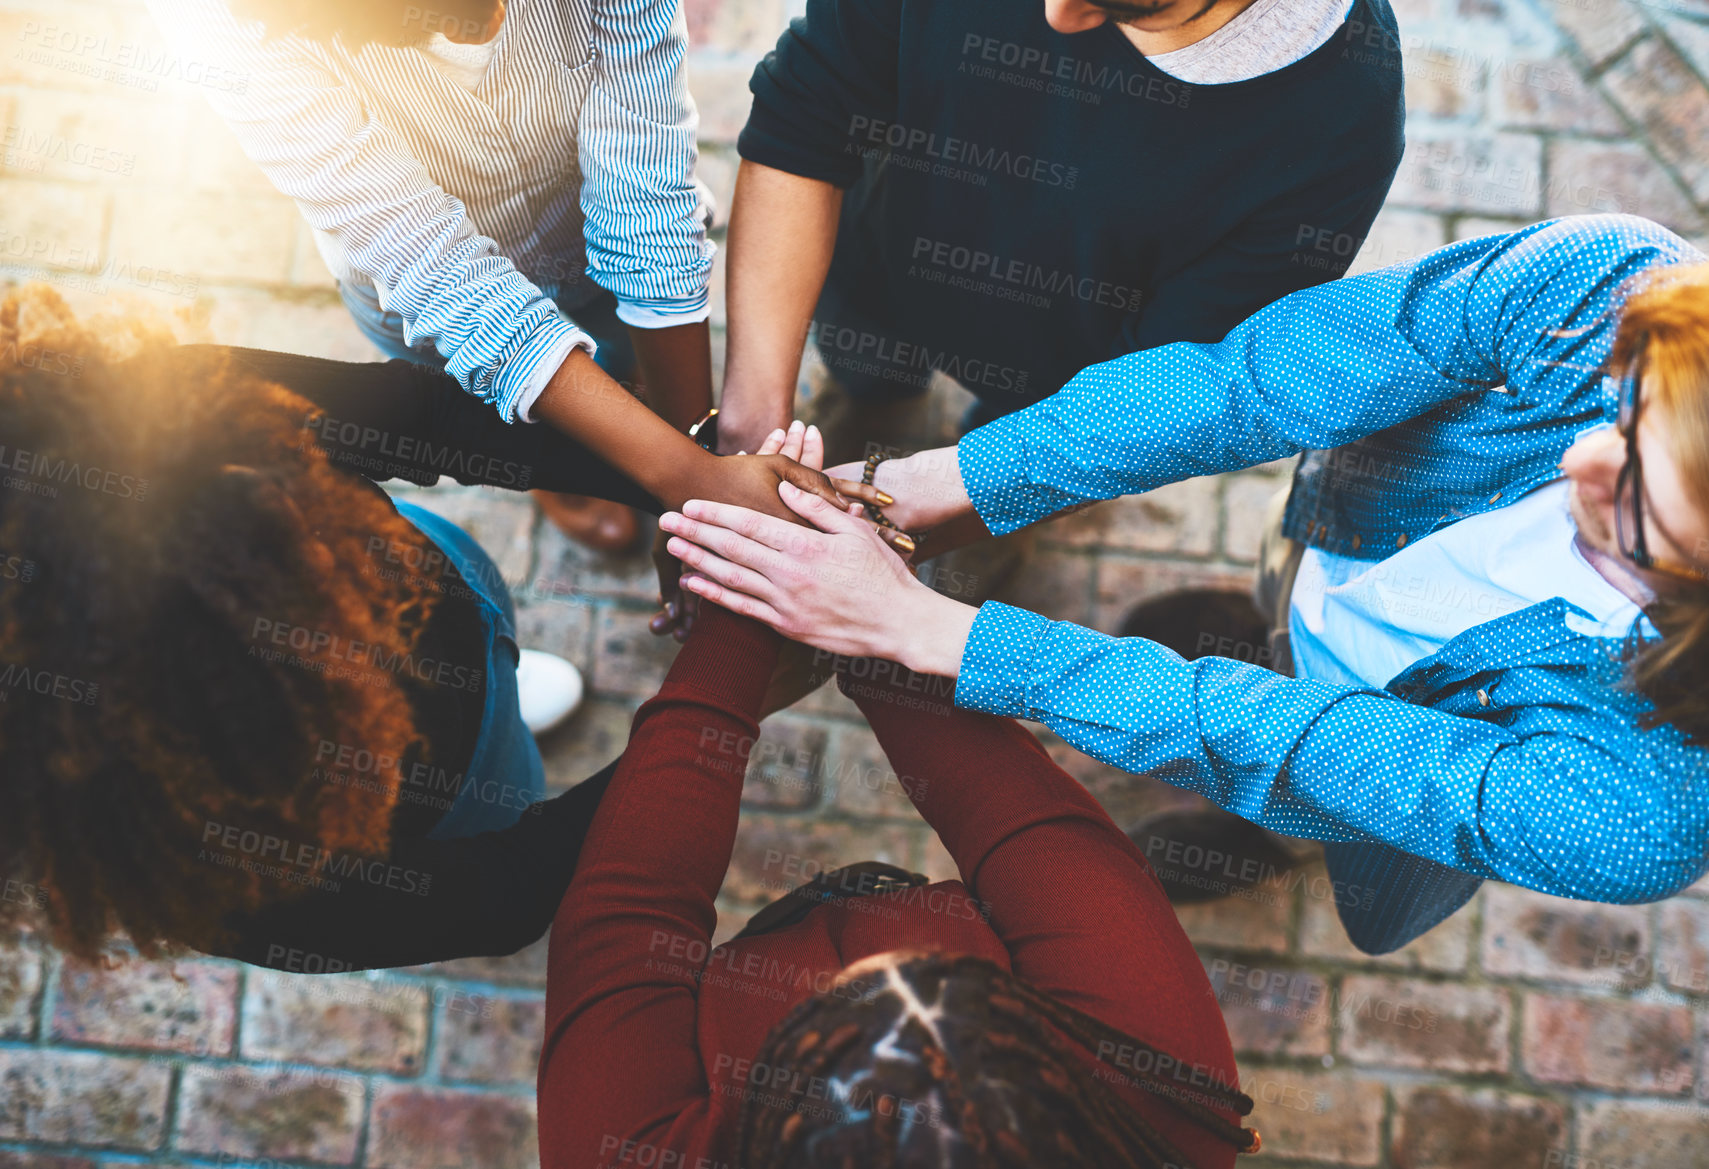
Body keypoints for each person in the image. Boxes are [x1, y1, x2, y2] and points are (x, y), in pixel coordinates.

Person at [655, 213, 1709, 955]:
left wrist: (927, 630)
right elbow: (1244, 383)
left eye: (1635, 511)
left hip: (1376, 742)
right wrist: (925, 485)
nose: (1581, 462)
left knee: (1280, 779)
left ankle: (1262, 840)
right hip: (1331, 546)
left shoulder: (1641, 809)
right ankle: (1265, 623)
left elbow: (1283, 739)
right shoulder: (1610, 290)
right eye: (1620, 421)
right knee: (1246, 624)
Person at [0, 285, 868, 971]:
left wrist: (691, 485)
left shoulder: (133, 420)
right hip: (438, 783)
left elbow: (424, 416)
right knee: (502, 776)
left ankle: (497, 690)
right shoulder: (217, 864)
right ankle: (499, 736)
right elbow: (504, 891)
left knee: (484, 645)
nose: (315, 522)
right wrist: (720, 705)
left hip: (448, 585)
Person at [539, 433, 1259, 1168]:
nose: (878, 972)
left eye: (824, 1026)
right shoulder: (1162, 1101)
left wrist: (746, 606)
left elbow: (629, 909)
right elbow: (1025, 825)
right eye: (965, 997)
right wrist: (869, 619)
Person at [143, 0, 717, 557]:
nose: (499, 21)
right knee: (492, 402)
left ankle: (621, 425)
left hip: (582, 239)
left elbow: (647, 189)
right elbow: (427, 262)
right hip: (414, 295)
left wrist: (692, 465)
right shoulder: (218, 14)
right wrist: (691, 486)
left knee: (628, 363)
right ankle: (558, 466)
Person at [716, 0, 1403, 451]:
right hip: (875, 245)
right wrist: (749, 425)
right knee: (864, 362)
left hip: (1063, 372)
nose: (1055, 14)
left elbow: (1158, 386)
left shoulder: (1339, 123)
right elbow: (805, 114)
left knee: (1016, 436)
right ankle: (873, 397)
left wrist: (979, 495)